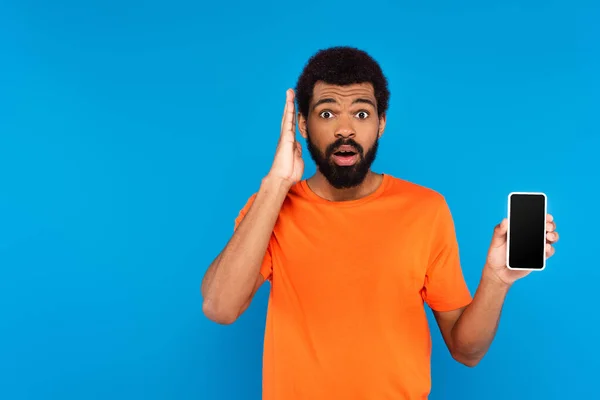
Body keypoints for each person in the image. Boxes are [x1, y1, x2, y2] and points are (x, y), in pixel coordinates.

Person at [200, 46, 559, 400]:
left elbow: (466, 352)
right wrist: (277, 183)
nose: (345, 130)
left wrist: (497, 279)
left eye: (361, 114)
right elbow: (220, 306)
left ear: (381, 123)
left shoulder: (425, 210)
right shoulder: (272, 207)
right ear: (303, 126)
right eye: (326, 115)